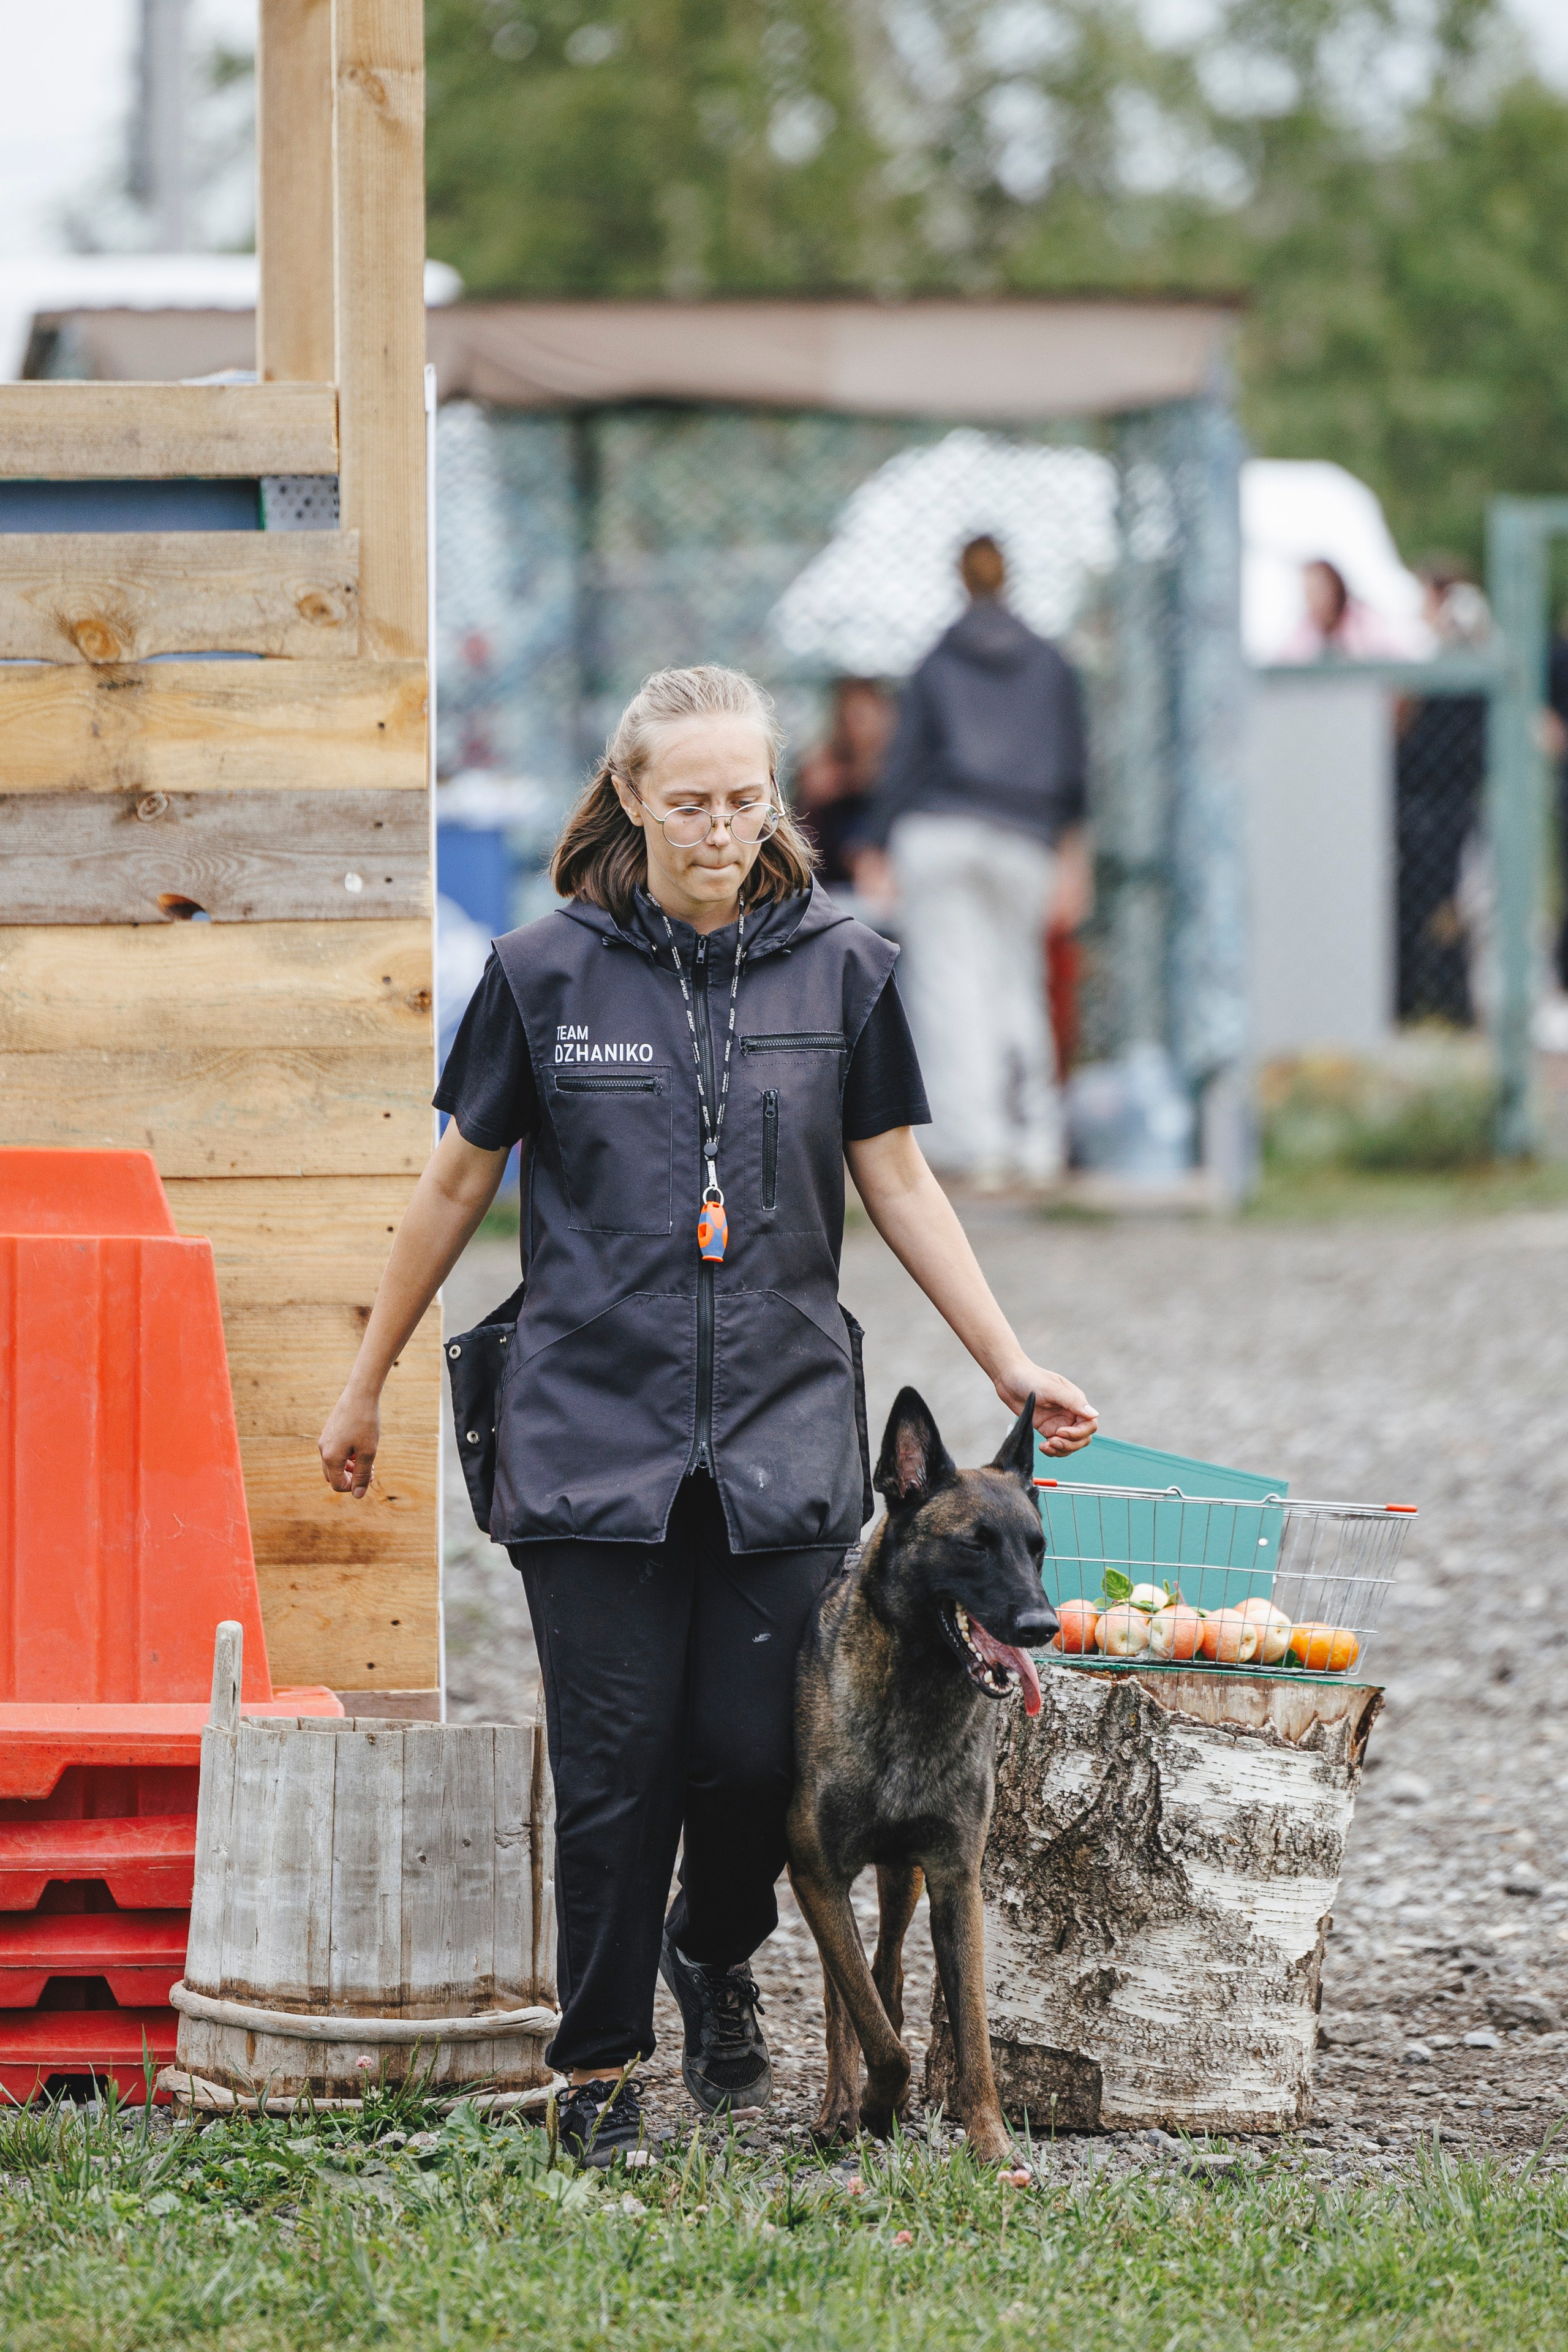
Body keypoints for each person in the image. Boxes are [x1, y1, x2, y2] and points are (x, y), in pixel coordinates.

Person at [317, 664, 1098, 2166]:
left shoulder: (846, 968)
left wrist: (1005, 1361)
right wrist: (365, 1381)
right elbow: (452, 1187)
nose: (723, 827)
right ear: (627, 797)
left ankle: (710, 1946)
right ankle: (597, 2074)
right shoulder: (539, 976)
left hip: (781, 1440)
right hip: (584, 1442)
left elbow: (898, 1181)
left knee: (751, 1770)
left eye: (747, 797)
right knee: (612, 1772)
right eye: (690, 801)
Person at [851, 536, 1091, 1188]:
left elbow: (904, 761)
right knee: (1017, 983)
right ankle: (1034, 1139)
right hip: (1023, 835)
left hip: (938, 830)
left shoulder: (935, 660)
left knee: (949, 990)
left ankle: (971, 1143)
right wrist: (1073, 854)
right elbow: (1074, 771)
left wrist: (875, 841)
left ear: (958, 579)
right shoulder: (1051, 663)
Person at [1276, 557, 1419, 662]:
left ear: (1334, 587)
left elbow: (1396, 657)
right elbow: (1287, 661)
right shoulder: (1307, 628)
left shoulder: (1364, 621)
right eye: (1308, 592)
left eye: (1317, 590)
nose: (1312, 598)